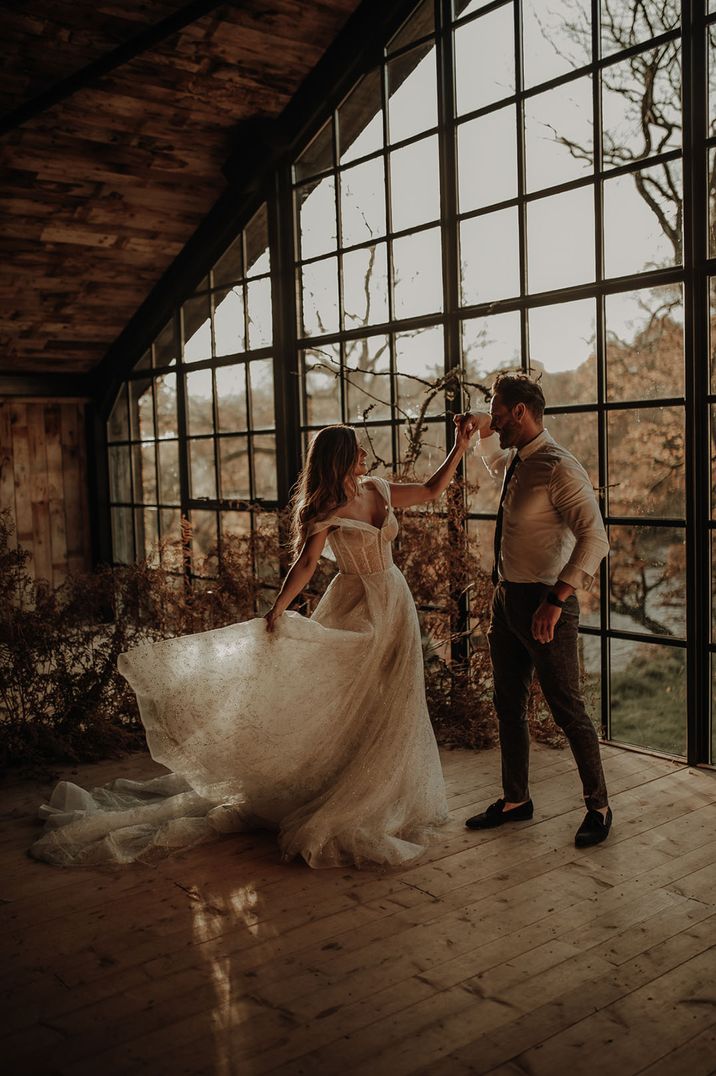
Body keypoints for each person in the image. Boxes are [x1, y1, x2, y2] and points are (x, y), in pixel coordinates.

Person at [31, 418, 476, 870]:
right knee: (349, 698)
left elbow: (429, 490)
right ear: (340, 458)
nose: (366, 457)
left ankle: (392, 796)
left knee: (398, 698)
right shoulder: (325, 510)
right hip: (356, 604)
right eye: (358, 451)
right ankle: (349, 794)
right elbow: (304, 566)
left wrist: (458, 448)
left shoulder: (378, 488)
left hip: (395, 601)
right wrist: (277, 610)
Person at [462, 373, 612, 848]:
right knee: (507, 703)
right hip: (507, 601)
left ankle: (600, 807)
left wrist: (556, 600)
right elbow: (489, 451)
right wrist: (482, 422)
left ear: (521, 413)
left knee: (568, 709)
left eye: (501, 414)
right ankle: (516, 800)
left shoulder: (558, 467)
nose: (496, 423)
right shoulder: (516, 460)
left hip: (547, 604)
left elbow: (596, 539)